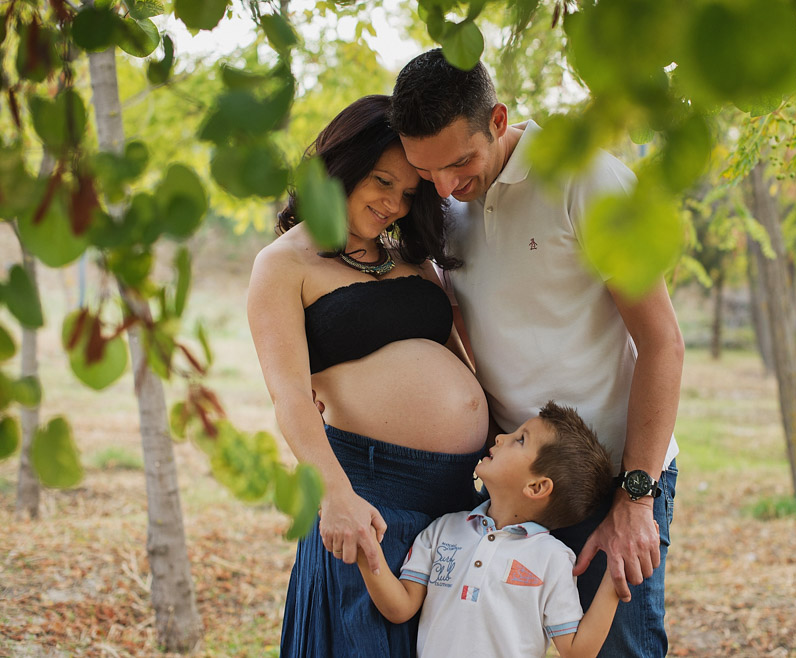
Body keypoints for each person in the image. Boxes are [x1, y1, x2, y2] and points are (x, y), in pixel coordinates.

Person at [390, 50, 685, 656]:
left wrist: (636, 497)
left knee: (618, 649)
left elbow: (663, 343)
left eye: (460, 162)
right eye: (425, 171)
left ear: (498, 120)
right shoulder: (442, 205)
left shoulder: (587, 180)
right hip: (510, 480)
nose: (445, 187)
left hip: (616, 472)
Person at [247, 94, 490, 658]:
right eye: (382, 182)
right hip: (369, 495)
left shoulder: (412, 260)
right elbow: (290, 398)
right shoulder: (284, 264)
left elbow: (460, 364)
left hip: (456, 500)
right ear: (342, 166)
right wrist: (336, 496)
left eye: (408, 193)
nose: (393, 204)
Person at [349, 401, 641, 658]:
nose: (500, 437)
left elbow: (576, 652)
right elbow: (400, 608)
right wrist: (366, 551)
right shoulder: (442, 529)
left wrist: (615, 578)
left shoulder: (553, 559)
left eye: (520, 440)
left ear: (536, 487)